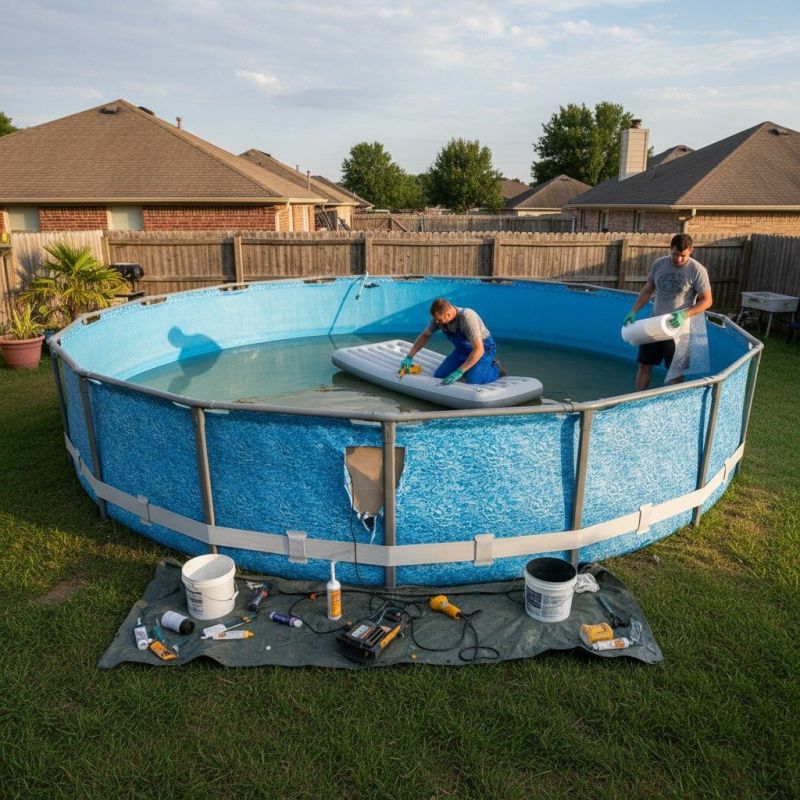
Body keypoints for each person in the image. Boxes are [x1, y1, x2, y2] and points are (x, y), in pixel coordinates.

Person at [623, 233, 713, 391]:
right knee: (644, 365)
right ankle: (637, 399)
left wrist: (684, 314)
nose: (678, 259)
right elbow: (648, 289)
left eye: (683, 255)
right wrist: (633, 311)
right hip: (654, 325)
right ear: (670, 249)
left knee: (675, 373)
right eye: (675, 254)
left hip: (679, 330)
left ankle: (673, 404)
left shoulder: (698, 270)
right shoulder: (659, 264)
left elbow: (707, 300)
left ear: (691, 250)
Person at [400, 298, 502, 385]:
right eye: (436, 320)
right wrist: (409, 357)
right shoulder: (438, 318)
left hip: (484, 350)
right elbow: (425, 335)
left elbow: (479, 349)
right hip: (463, 351)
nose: (437, 322)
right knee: (439, 376)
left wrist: (460, 371)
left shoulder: (467, 318)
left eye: (439, 320)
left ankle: (496, 368)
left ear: (448, 314)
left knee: (473, 380)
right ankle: (470, 366)